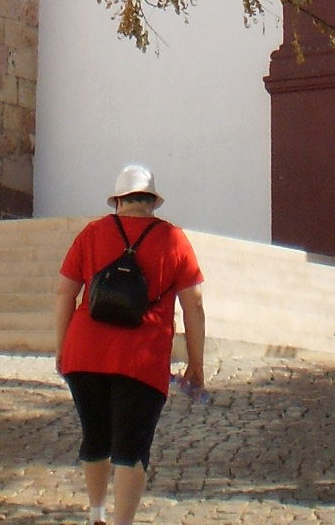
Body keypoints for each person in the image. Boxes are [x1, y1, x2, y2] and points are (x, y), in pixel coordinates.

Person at [55, 164, 206, 525]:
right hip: (142, 359)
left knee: (95, 438)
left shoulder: (92, 234)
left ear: (118, 200)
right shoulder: (173, 240)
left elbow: (65, 293)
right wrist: (196, 364)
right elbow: (194, 306)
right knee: (131, 449)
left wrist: (62, 349)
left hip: (85, 353)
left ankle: (96, 515)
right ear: (152, 201)